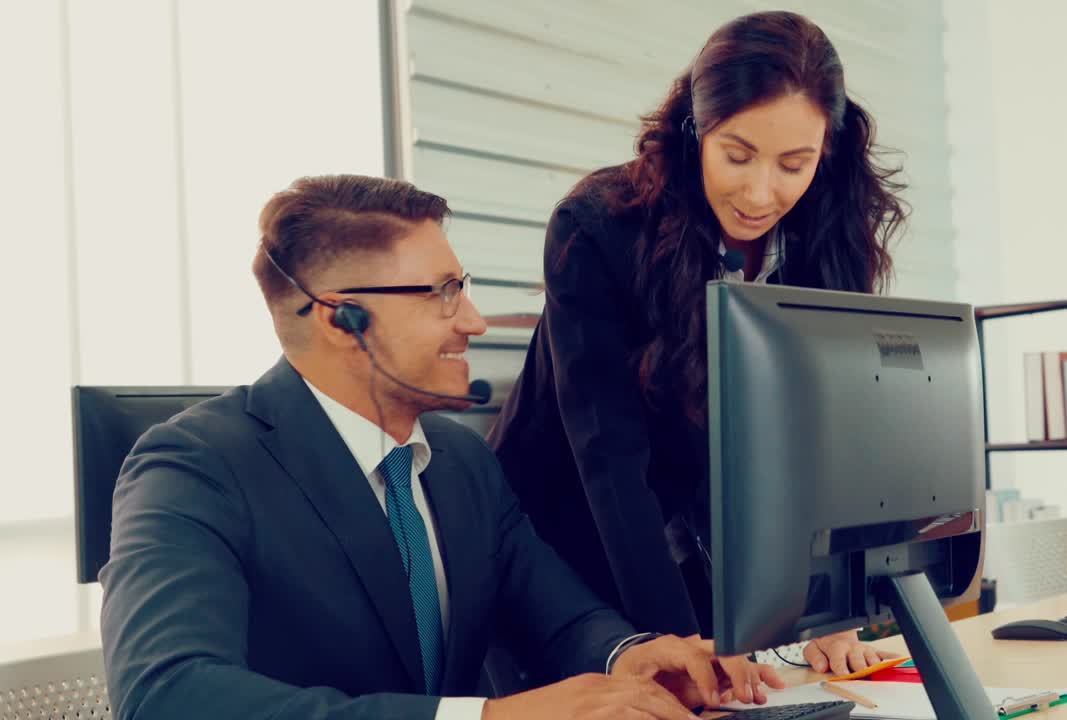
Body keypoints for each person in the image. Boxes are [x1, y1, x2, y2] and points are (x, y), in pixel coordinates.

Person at [99, 174, 785, 720]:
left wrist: (629, 656)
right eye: (443, 294)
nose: (476, 322)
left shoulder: (460, 461)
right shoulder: (193, 467)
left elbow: (558, 614)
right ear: (343, 318)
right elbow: (168, 696)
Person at [488, 11, 904, 674]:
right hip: (564, 542)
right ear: (695, 131)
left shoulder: (827, 237)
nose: (761, 192)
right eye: (737, 155)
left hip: (693, 531)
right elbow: (610, 457)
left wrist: (826, 613)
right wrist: (677, 642)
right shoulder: (599, 226)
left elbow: (818, 435)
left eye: (794, 164)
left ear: (827, 152)